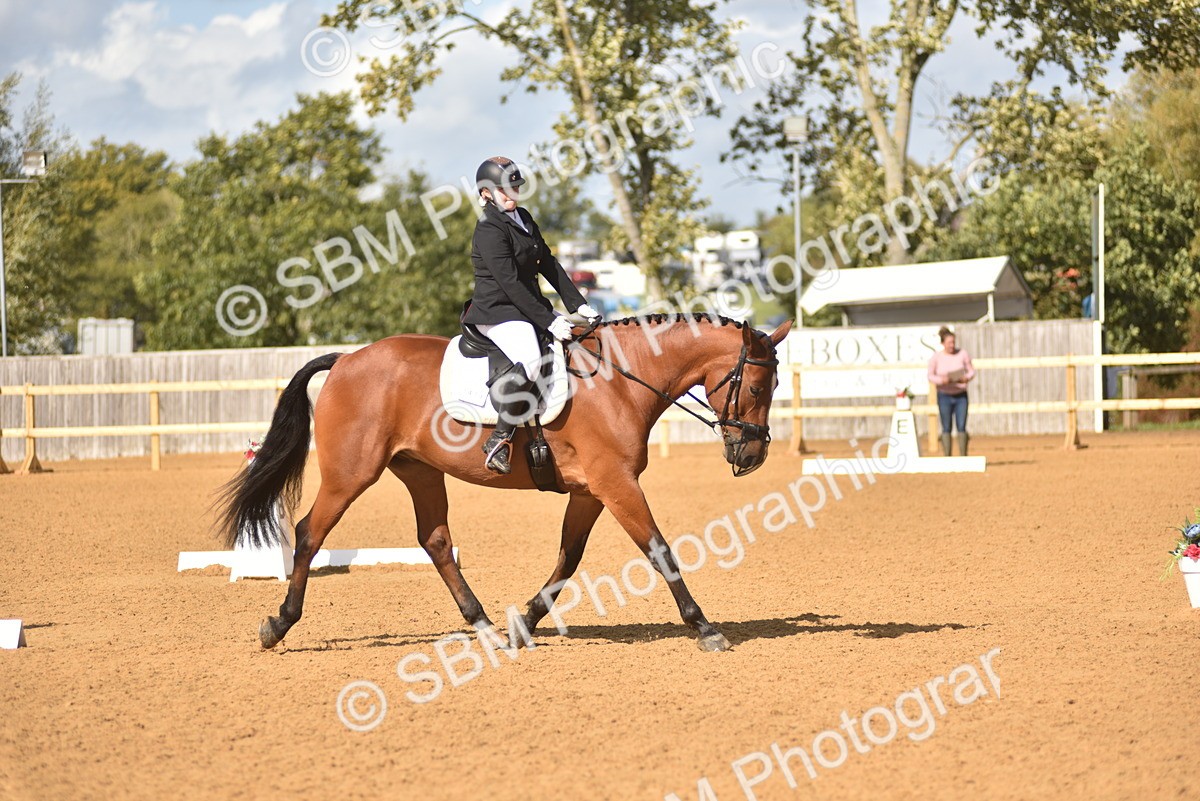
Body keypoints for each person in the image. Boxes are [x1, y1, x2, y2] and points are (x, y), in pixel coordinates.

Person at [464, 156, 601, 474]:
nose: (512, 192)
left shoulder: (523, 217)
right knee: (530, 358)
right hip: (498, 312)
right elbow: (509, 282)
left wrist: (576, 305)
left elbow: (548, 262)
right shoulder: (488, 229)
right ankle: (498, 440)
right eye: (504, 188)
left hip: (527, 307)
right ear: (486, 193)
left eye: (515, 185)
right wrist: (549, 319)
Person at [927, 326, 976, 456]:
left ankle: (963, 456)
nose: (952, 345)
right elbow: (930, 376)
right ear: (943, 343)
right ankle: (947, 457)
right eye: (949, 343)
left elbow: (971, 370)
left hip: (960, 395)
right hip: (944, 395)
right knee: (946, 427)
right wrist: (941, 380)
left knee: (961, 426)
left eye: (953, 342)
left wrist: (966, 378)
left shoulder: (962, 354)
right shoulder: (936, 358)